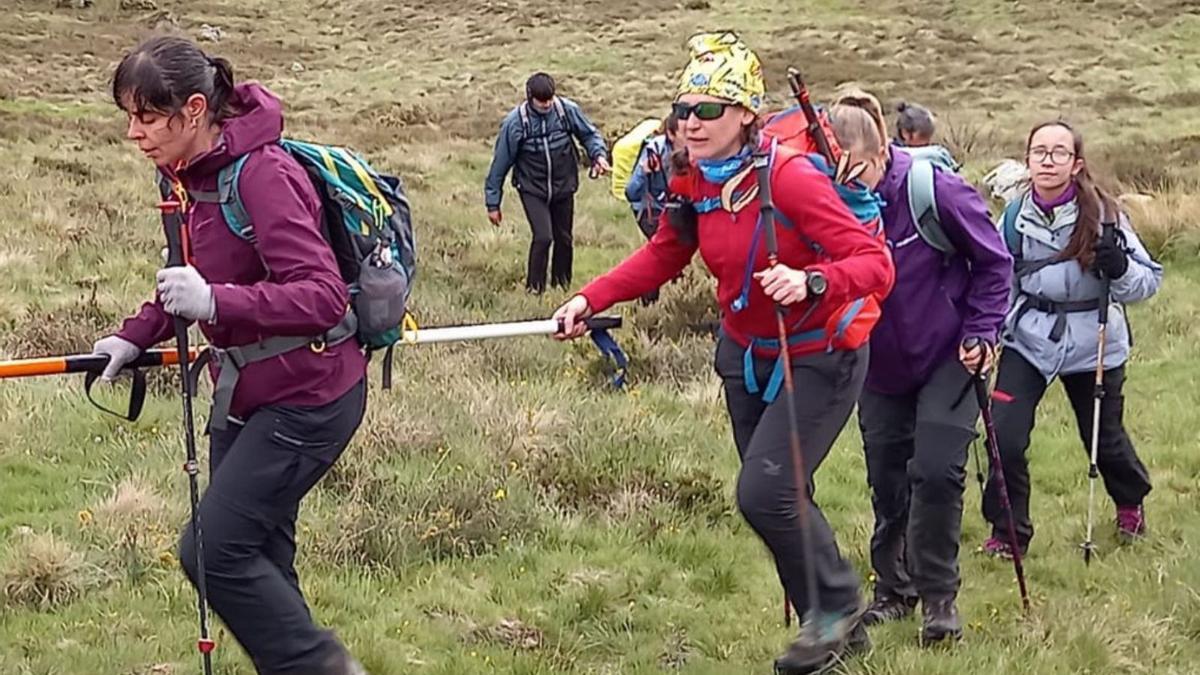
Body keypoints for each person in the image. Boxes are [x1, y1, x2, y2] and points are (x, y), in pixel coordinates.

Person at [553, 32, 895, 673]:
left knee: (765, 494)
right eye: (684, 109)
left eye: (708, 109)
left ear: (745, 114)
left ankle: (837, 604)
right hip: (746, 355)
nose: (691, 122)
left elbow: (873, 263)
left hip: (820, 353)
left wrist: (812, 281)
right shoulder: (694, 181)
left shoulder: (790, 180)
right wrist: (588, 298)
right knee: (781, 493)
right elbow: (665, 252)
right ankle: (838, 638)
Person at [94, 35, 368, 674]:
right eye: (127, 116)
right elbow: (187, 279)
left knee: (212, 551)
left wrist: (216, 302)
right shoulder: (187, 177)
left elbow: (323, 296)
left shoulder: (263, 175)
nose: (133, 133)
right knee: (262, 559)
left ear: (194, 109)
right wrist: (136, 333)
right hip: (243, 395)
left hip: (309, 395)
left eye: (146, 116)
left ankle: (325, 668)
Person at [830, 89, 1013, 644]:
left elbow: (993, 262)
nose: (847, 181)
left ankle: (939, 598)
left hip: (950, 354)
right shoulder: (828, 201)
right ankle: (893, 590)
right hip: (876, 364)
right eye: (834, 171)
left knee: (935, 471)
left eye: (855, 168)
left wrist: (982, 330)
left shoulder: (931, 189)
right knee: (887, 477)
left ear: (881, 149)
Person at [982, 120, 1161, 558]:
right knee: (1002, 436)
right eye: (1039, 151)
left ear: (1075, 163)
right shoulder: (1012, 218)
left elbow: (1147, 282)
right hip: (1029, 339)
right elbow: (1001, 280)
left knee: (1103, 437)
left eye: (1058, 152)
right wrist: (990, 332)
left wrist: (1119, 268)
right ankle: (1008, 533)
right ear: (1026, 160)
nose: (1047, 159)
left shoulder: (1105, 215)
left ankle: (1129, 501)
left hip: (1094, 340)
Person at [484, 72, 610, 294]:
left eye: (550, 99)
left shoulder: (566, 111)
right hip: (532, 189)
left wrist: (598, 155)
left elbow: (590, 135)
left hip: (564, 185)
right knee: (543, 237)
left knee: (564, 239)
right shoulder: (515, 124)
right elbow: (499, 165)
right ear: (530, 97)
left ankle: (561, 287)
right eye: (542, 101)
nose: (547, 105)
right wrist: (493, 203)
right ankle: (534, 290)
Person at [623, 112, 680, 304]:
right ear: (672, 134)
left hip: (675, 206)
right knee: (663, 252)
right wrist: (644, 172)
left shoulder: (695, 148)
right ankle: (649, 302)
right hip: (649, 209)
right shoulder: (654, 150)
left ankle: (676, 295)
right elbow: (631, 192)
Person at [893, 101, 958, 172]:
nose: (927, 144)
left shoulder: (939, 155)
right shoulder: (891, 159)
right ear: (905, 134)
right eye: (922, 136)